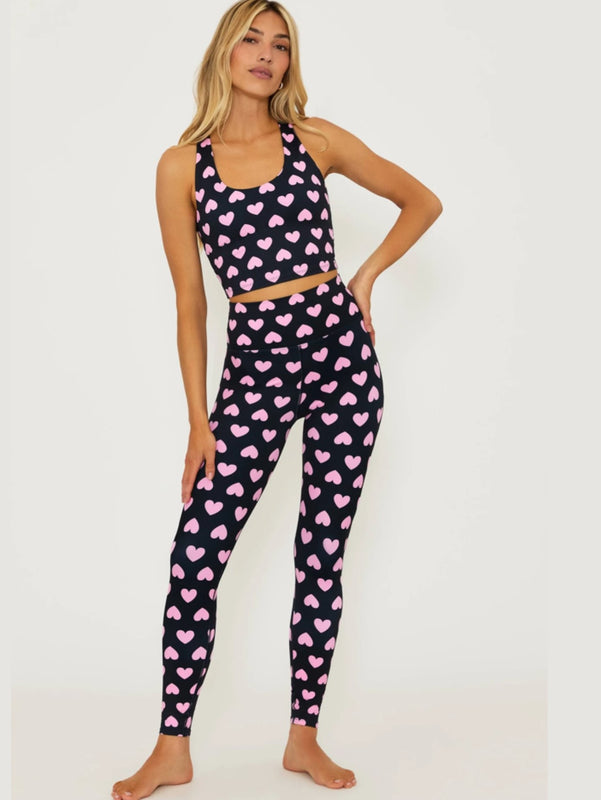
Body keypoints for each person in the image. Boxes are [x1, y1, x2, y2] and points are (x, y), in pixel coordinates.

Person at [111, 1, 442, 796]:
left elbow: (422, 201)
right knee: (197, 555)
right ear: (223, 53)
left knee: (321, 552)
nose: (265, 54)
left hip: (341, 360)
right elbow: (190, 302)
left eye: (281, 44)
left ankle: (303, 739)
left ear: (290, 62)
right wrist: (199, 419)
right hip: (254, 369)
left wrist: (364, 278)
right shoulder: (181, 165)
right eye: (251, 39)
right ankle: (172, 746)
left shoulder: (314, 141)